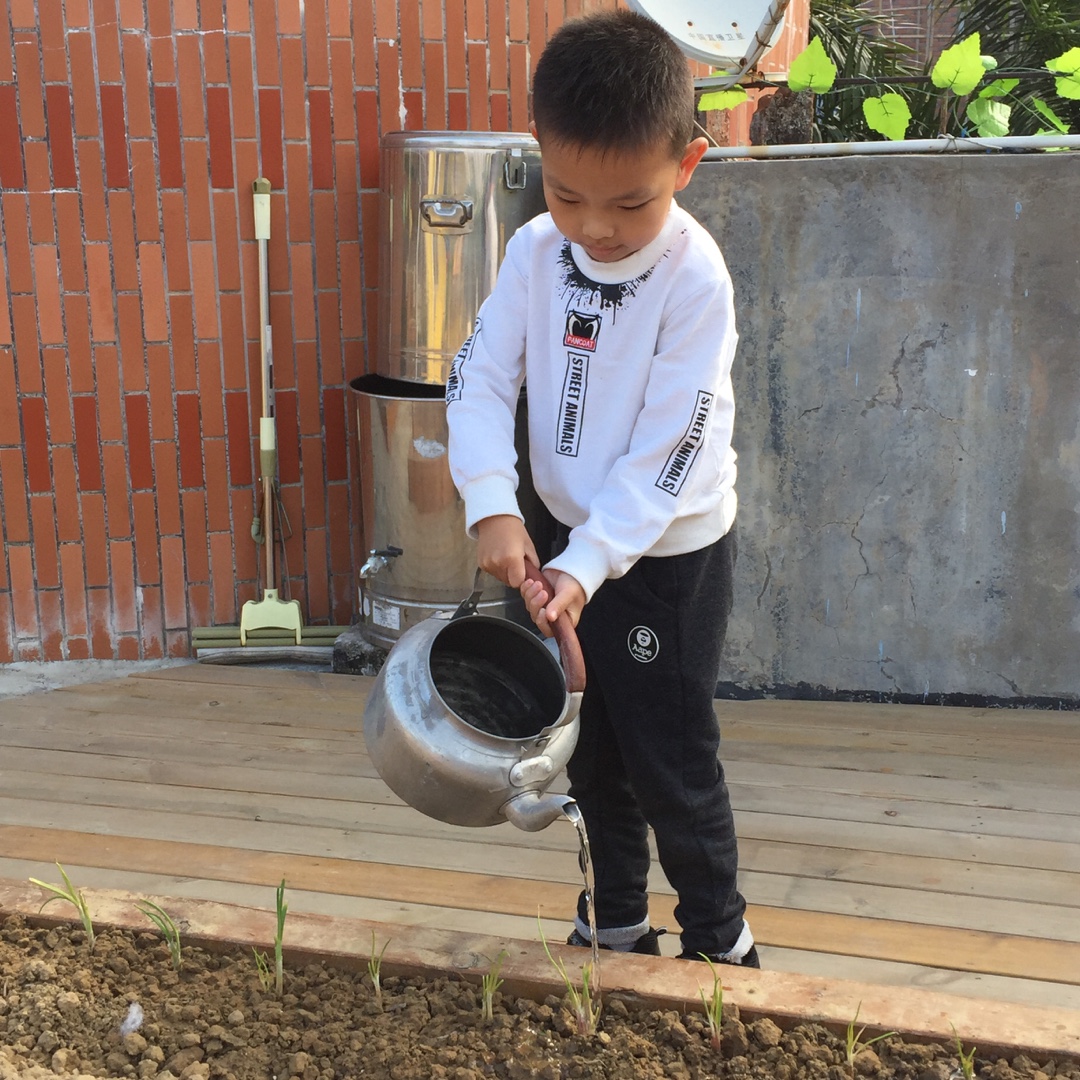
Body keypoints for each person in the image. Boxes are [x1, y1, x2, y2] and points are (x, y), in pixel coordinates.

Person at [445, 8, 757, 967]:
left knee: (670, 756)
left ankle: (720, 944)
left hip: (662, 554)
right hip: (558, 534)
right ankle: (616, 920)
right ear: (539, 149)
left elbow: (672, 449)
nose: (594, 227)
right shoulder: (535, 251)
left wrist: (587, 565)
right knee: (584, 744)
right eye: (568, 193)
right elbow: (479, 376)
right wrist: (493, 503)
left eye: (630, 203)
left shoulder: (694, 280)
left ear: (687, 164)